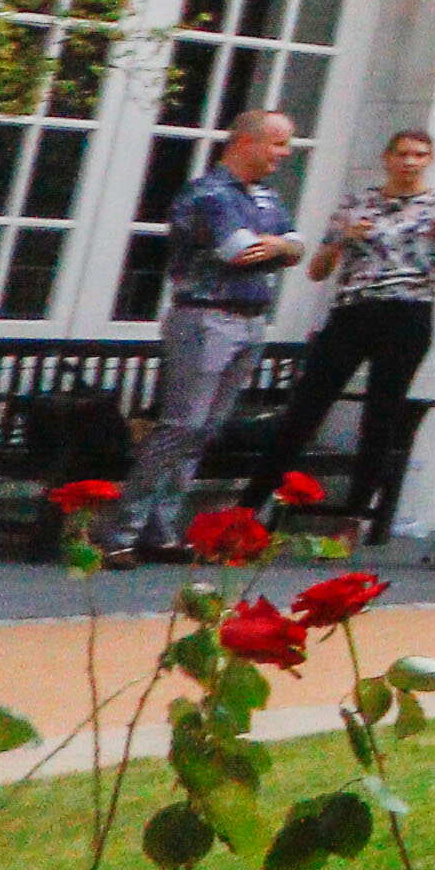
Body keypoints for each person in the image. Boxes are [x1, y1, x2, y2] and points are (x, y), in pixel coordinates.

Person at [115, 111, 303, 557]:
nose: (285, 153)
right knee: (181, 424)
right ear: (246, 142)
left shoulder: (266, 198)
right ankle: (122, 531)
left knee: (206, 430)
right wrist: (279, 246)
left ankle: (162, 530)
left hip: (252, 320)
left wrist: (278, 246)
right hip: (205, 319)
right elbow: (238, 252)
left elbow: (295, 246)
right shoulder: (208, 195)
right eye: (278, 142)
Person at [267, 128, 435, 492]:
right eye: (403, 154)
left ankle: (356, 510)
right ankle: (255, 501)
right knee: (309, 404)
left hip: (409, 312)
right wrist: (345, 239)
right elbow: (317, 271)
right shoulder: (356, 204)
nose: (410, 162)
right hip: (355, 310)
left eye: (420, 155)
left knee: (383, 411)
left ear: (430, 160)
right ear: (387, 158)